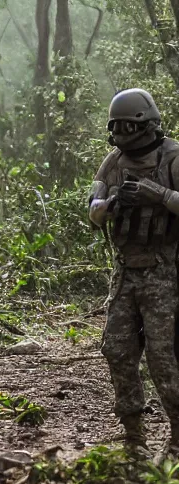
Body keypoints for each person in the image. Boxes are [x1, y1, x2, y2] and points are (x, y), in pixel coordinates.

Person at [89, 88, 179, 458]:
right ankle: (134, 438)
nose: (124, 134)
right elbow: (92, 210)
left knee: (165, 356)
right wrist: (111, 203)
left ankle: (176, 440)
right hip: (125, 272)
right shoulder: (113, 162)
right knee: (118, 350)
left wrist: (156, 194)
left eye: (129, 126)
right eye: (117, 127)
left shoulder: (173, 157)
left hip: (166, 271)